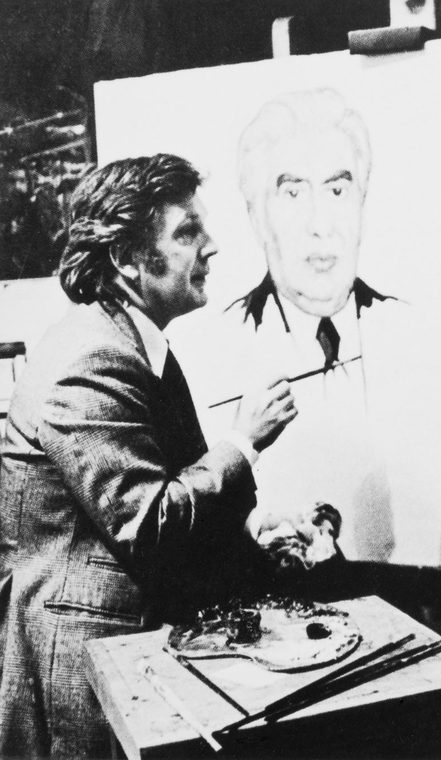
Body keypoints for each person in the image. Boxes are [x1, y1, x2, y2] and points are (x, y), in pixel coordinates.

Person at [0, 154, 334, 757]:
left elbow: (167, 482)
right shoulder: (89, 359)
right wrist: (244, 443)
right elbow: (150, 523)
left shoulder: (133, 342)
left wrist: (255, 524)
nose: (211, 246)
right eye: (187, 232)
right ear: (127, 257)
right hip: (86, 658)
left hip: (127, 643)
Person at [197, 87, 404, 562]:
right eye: (292, 193)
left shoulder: (412, 333)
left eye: (337, 190)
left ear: (363, 203)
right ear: (256, 216)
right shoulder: (212, 351)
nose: (320, 223)